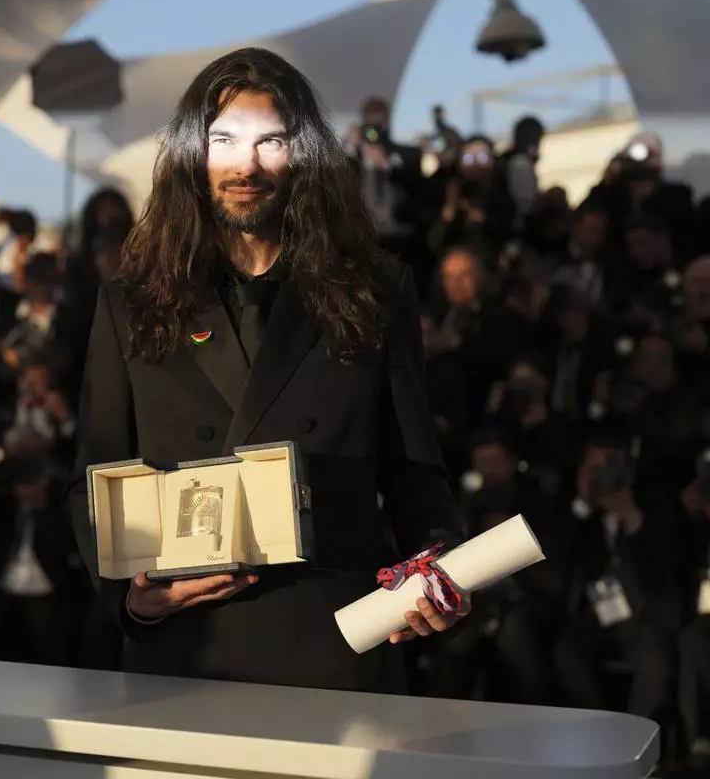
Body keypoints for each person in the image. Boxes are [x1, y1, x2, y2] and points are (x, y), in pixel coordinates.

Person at [65, 47, 466, 693]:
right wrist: (130, 599)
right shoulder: (129, 303)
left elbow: (415, 471)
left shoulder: (377, 290)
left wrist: (439, 564)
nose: (244, 166)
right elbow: (90, 480)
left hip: (336, 649)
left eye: (269, 142)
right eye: (223, 141)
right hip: (184, 653)